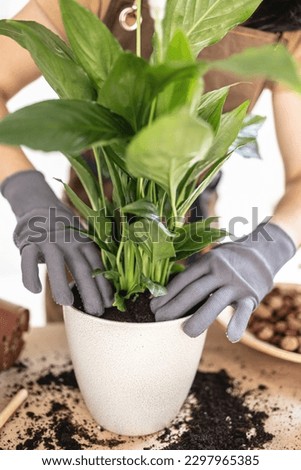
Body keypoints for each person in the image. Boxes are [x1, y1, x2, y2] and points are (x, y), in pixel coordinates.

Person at [0, 0, 300, 342]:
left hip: (189, 258)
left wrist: (272, 245)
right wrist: (26, 191)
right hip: (78, 245)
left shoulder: (287, 23)